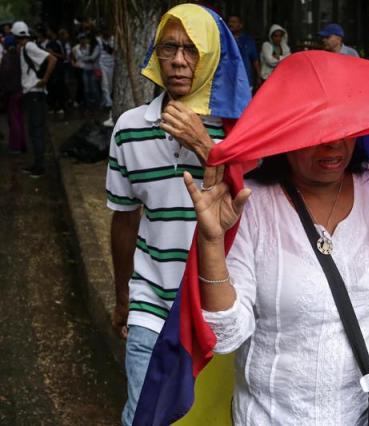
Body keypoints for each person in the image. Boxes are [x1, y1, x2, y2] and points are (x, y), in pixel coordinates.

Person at [171, 68, 369, 424]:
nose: (333, 143)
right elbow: (227, 336)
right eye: (315, 130)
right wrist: (212, 242)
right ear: (283, 132)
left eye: (343, 126)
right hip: (274, 416)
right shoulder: (251, 204)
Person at [105, 4, 249, 425]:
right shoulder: (129, 127)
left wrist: (209, 147)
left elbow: (254, 208)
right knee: (145, 416)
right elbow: (126, 219)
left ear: (213, 57)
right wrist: (122, 298)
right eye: (169, 47)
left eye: (193, 49)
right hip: (152, 305)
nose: (180, 60)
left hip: (222, 311)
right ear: (156, 55)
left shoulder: (240, 130)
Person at [12, 20, 57, 177]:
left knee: (36, 131)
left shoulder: (30, 46)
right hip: (31, 94)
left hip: (35, 94)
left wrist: (45, 79)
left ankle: (40, 167)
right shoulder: (25, 47)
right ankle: (37, 164)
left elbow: (52, 59)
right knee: (33, 130)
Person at [0, 34, 27, 153]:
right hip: (21, 90)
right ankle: (22, 144)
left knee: (14, 119)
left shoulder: (6, 57)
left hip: (11, 93)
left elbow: (4, 75)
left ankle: (16, 146)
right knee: (20, 118)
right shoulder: (20, 55)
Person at [227, 15, 260, 91]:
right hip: (228, 79)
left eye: (234, 22)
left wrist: (258, 75)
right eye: (229, 22)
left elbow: (255, 59)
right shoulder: (225, 39)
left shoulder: (248, 40)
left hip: (246, 78)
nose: (231, 24)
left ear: (240, 25)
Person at [96, 26, 115, 111]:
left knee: (110, 84)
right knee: (104, 84)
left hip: (111, 64)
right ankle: (108, 103)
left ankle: (106, 100)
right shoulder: (98, 40)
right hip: (102, 64)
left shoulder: (113, 39)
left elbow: (115, 50)